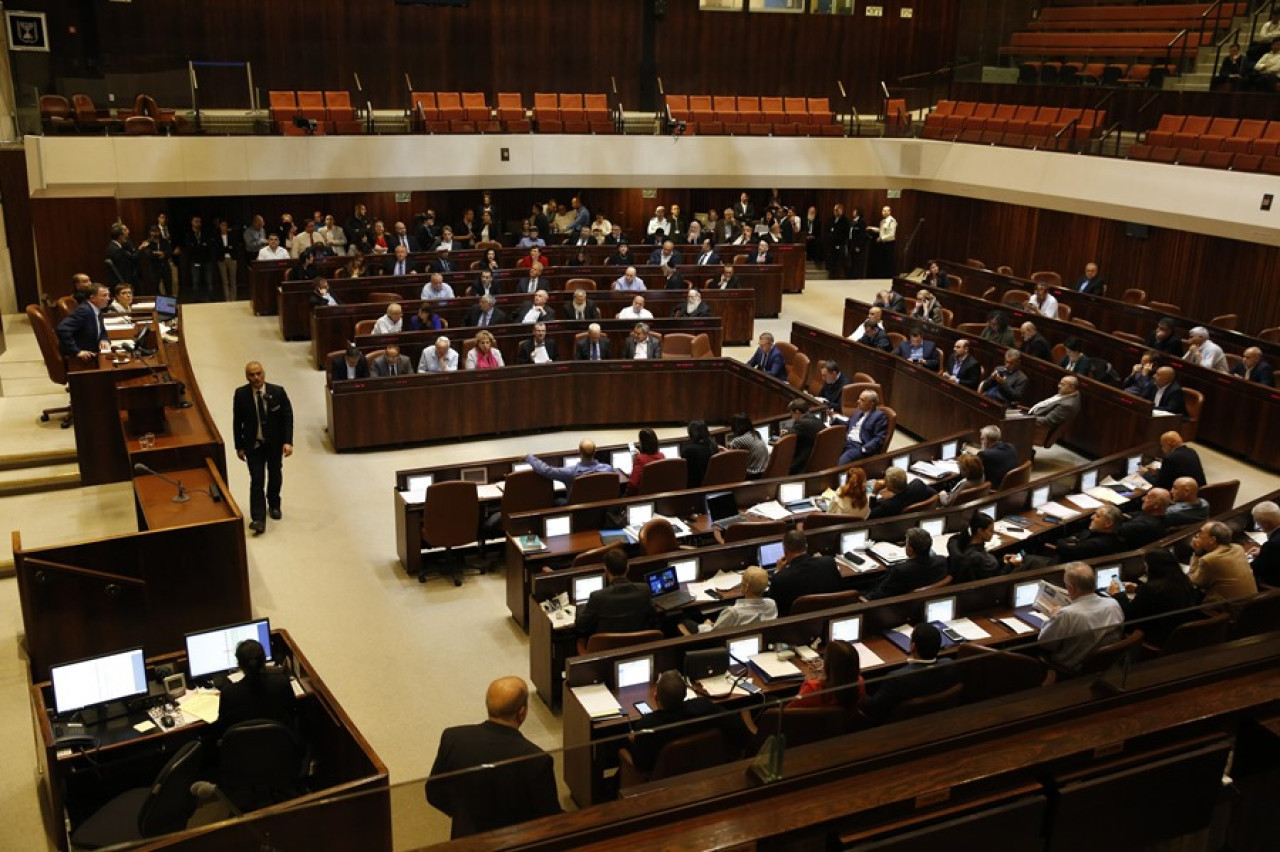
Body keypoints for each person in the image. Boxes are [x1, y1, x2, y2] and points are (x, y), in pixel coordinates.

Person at [425, 676, 562, 839]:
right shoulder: (536, 759)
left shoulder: (453, 738)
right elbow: (548, 818)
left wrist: (463, 816)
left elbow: (434, 792)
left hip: (466, 841)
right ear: (522, 712)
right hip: (516, 841)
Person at [626, 670, 746, 774]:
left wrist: (634, 740)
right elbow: (739, 731)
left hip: (663, 782)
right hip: (704, 772)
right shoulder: (704, 708)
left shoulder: (647, 726)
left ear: (655, 696)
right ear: (685, 695)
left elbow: (641, 766)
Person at [232, 361, 294, 536]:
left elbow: (287, 418)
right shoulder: (241, 394)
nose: (256, 377)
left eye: (258, 373)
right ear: (247, 376)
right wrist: (239, 446)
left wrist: (288, 441)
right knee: (257, 480)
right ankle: (258, 519)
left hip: (274, 444)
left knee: (275, 475)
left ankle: (274, 504)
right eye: (252, 375)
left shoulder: (277, 392)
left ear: (264, 374)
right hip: (254, 445)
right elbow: (237, 422)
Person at [861, 623, 958, 723]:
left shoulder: (897, 679)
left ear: (913, 647)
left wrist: (860, 687)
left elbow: (873, 708)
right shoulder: (950, 665)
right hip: (936, 719)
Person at [1038, 563, 1124, 671]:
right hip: (1104, 665)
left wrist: (1054, 617)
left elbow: (1045, 644)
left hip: (1071, 667)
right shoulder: (1113, 605)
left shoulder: (1067, 614)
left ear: (1072, 588)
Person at [1109, 550, 1200, 647]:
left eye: (1146, 566)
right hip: (1177, 634)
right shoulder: (1183, 580)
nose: (1146, 570)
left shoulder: (1150, 589)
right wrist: (1136, 588)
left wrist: (1118, 595)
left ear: (1154, 568)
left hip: (1155, 637)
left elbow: (1129, 615)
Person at [213, 639, 294, 736]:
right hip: (280, 744)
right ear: (264, 660)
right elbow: (293, 712)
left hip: (243, 748)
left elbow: (222, 727)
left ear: (239, 664)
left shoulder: (229, 693)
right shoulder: (282, 683)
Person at [575, 549, 650, 636]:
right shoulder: (645, 590)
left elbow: (581, 626)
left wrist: (580, 608)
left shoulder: (597, 597)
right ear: (628, 568)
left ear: (606, 570)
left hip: (607, 647)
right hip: (638, 644)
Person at [768, 530, 842, 616]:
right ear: (806, 547)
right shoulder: (828, 562)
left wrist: (778, 572)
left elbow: (772, 606)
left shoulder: (780, 579)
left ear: (785, 550)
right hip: (830, 616)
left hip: (798, 625)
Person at [1190, 522, 1257, 613]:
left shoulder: (1209, 560)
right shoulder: (1238, 548)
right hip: (1252, 604)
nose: (1197, 535)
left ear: (1212, 539)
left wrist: (1197, 553)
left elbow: (1195, 581)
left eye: (1201, 533)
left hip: (1230, 610)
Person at [865, 527, 947, 599]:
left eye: (906, 543)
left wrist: (865, 598)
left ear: (910, 549)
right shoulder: (942, 560)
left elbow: (882, 594)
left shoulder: (900, 571)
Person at [695, 566, 775, 633]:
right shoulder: (772, 605)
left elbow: (713, 633)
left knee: (687, 621)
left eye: (742, 579)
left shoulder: (733, 613)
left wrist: (706, 625)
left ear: (746, 587)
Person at [790, 639, 864, 710]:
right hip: (843, 722)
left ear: (827, 664)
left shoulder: (812, 689)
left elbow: (786, 713)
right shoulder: (859, 683)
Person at [57, 283, 111, 360]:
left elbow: (102, 330)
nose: (108, 298)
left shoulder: (97, 309)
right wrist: (77, 351)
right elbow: (62, 329)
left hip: (96, 351)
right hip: (86, 357)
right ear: (92, 298)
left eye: (108, 295)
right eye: (104, 295)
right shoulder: (84, 311)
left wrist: (104, 339)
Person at [527, 439, 614, 485]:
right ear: (595, 451)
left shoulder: (570, 472)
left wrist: (529, 458)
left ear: (578, 452)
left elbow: (545, 470)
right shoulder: (608, 469)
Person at [1055, 505, 1127, 562]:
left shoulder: (1096, 544)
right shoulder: (1114, 537)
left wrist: (1060, 541)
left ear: (1108, 523)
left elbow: (1065, 549)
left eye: (1097, 516)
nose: (1092, 517)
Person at [838, 389, 889, 464]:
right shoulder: (859, 412)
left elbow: (879, 437)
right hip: (846, 441)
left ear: (871, 404)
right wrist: (834, 418)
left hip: (859, 446)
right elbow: (849, 423)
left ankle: (838, 475)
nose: (858, 401)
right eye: (859, 398)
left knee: (843, 460)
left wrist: (864, 449)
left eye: (862, 400)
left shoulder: (879, 416)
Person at [1142, 431, 1206, 490]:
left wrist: (1145, 473)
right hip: (1199, 491)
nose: (1162, 449)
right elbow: (1175, 472)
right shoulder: (1191, 451)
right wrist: (1157, 471)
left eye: (1162, 446)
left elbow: (1159, 484)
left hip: (1184, 495)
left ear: (1168, 445)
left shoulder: (1170, 458)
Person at [947, 512, 1000, 583]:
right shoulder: (977, 557)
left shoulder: (963, 543)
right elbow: (996, 579)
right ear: (980, 531)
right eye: (990, 531)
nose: (993, 533)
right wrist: (1010, 565)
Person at [868, 468, 937, 520]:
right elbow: (934, 494)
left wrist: (874, 492)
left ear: (891, 487)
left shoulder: (890, 505)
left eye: (886, 480)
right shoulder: (918, 484)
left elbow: (871, 514)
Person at [785, 399, 825, 474]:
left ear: (797, 412)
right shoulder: (816, 419)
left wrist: (785, 432)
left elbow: (787, 438)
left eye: (792, 414)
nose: (792, 418)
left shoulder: (801, 424)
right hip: (819, 460)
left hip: (804, 463)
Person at [977, 425, 1020, 491]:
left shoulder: (984, 454)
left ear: (985, 440)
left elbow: (975, 473)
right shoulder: (1011, 447)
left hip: (995, 488)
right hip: (1011, 486)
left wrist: (983, 450)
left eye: (982, 438)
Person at [728, 413, 769, 479]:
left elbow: (730, 460)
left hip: (752, 476)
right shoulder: (757, 434)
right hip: (764, 472)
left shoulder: (737, 441)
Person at [1248, 501, 1280, 587]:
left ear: (1266, 524)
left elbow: (1255, 569)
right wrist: (1263, 552)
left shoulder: (1272, 546)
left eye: (1258, 523)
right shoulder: (1271, 547)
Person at [625, 428, 665, 496]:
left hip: (641, 497)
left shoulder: (640, 459)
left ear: (642, 443)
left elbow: (633, 485)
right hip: (658, 494)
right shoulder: (662, 456)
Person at [680, 420, 718, 487]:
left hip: (694, 489)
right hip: (713, 487)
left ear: (691, 433)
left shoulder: (688, 450)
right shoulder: (713, 446)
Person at [868, 205, 897, 278]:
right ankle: (882, 277)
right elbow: (881, 230)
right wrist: (872, 228)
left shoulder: (892, 221)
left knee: (888, 262)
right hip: (882, 244)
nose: (883, 212)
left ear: (889, 212)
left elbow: (891, 235)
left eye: (885, 211)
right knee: (881, 262)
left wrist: (881, 238)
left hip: (889, 244)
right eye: (882, 210)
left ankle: (888, 277)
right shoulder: (882, 221)